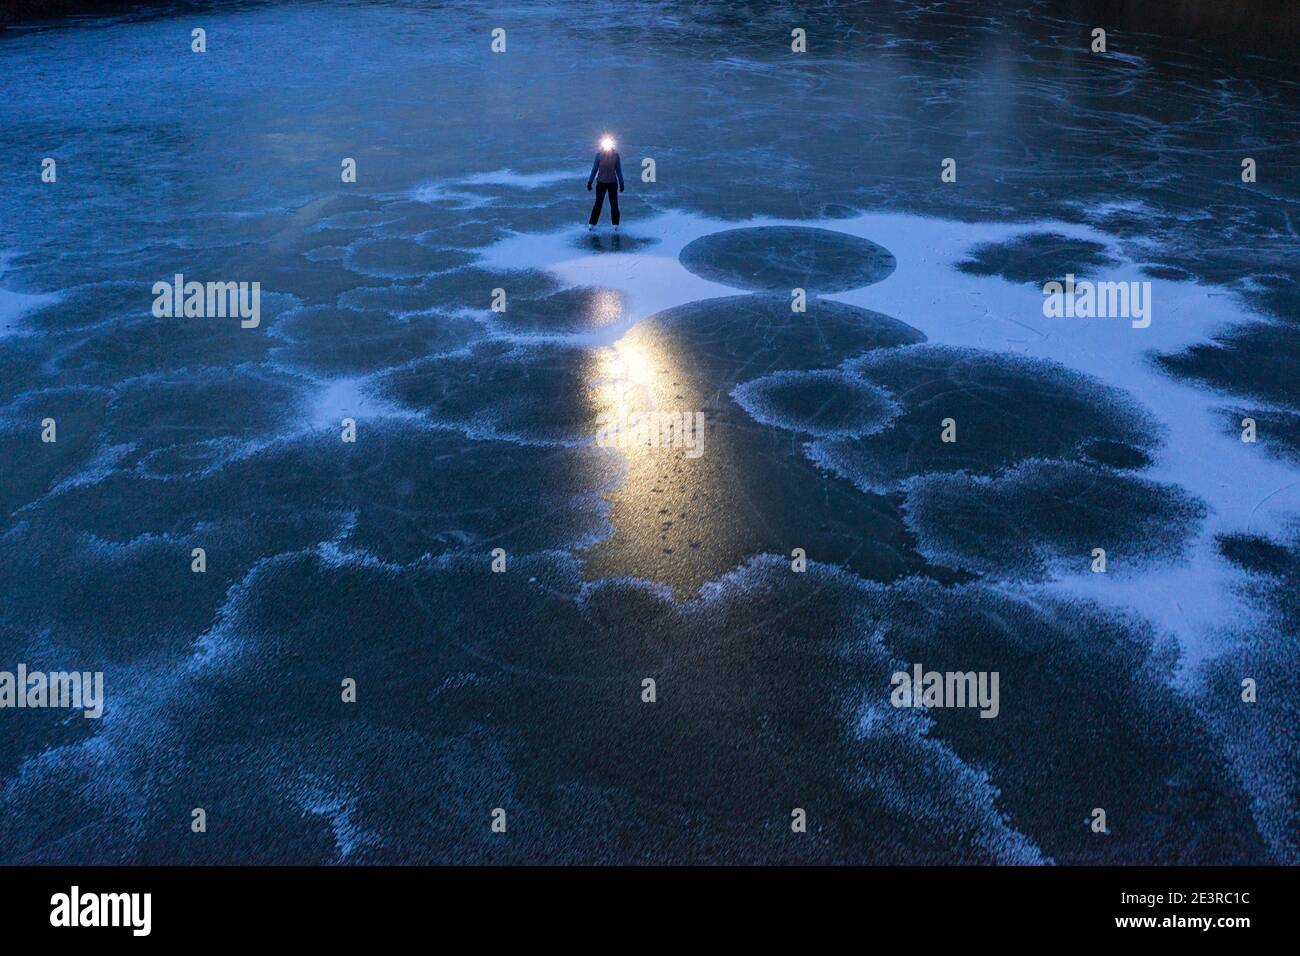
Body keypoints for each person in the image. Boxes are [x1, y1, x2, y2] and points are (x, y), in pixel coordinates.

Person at [587, 136, 625, 229]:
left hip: (612, 183)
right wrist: (590, 181)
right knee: (598, 203)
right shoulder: (599, 155)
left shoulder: (616, 155)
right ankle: (592, 223)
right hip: (601, 183)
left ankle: (615, 224)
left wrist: (621, 182)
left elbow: (618, 169)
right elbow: (594, 169)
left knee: (614, 204)